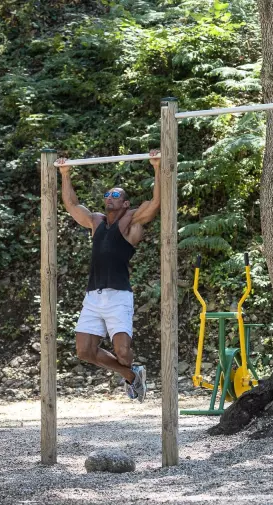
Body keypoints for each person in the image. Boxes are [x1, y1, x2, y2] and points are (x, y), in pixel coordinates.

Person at [55, 150, 161, 402]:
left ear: (125, 203)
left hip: (118, 295)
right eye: (107, 195)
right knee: (84, 351)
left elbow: (155, 203)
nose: (110, 198)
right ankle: (132, 375)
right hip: (94, 296)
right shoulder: (96, 221)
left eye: (116, 195)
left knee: (122, 352)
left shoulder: (131, 221)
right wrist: (65, 174)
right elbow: (71, 205)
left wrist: (157, 167)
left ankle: (130, 369)